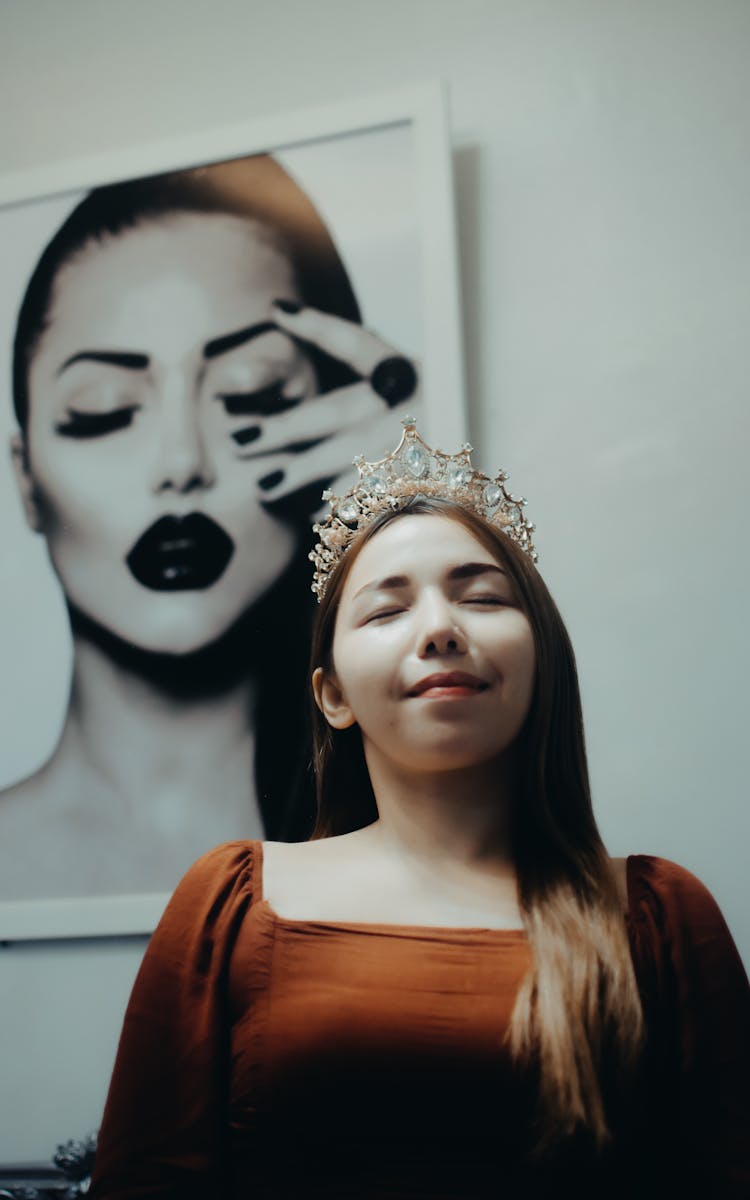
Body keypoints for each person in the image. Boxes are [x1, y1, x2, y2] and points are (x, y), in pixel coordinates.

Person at [88, 420, 750, 1198]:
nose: (440, 629)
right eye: (385, 611)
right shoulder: (233, 902)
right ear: (331, 693)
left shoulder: (660, 916)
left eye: (481, 597)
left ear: (541, 656)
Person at [1, 156, 420, 898]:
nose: (180, 462)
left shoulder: (423, 853)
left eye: (247, 393)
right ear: (25, 476)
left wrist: (410, 508)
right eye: (102, 408)